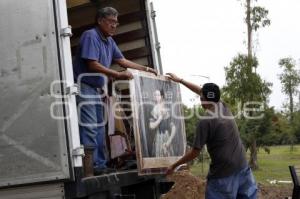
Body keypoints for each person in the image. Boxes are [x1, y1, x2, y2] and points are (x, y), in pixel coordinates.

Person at [73, 7, 157, 174]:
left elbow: (122, 60)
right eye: (111, 22)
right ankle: (89, 168)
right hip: (84, 86)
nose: (114, 26)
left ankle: (100, 166)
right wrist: (117, 75)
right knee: (90, 127)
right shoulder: (91, 35)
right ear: (100, 21)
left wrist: (146, 69)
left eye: (116, 22)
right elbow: (92, 64)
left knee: (98, 127)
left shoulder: (109, 41)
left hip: (95, 89)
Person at [165, 73, 257, 199]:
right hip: (243, 168)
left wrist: (173, 165)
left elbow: (194, 153)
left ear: (203, 99)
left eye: (201, 96)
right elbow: (203, 92)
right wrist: (180, 80)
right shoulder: (223, 106)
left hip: (223, 176)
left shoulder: (205, 121)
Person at [149, 89, 176, 157]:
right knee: (160, 156)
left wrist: (169, 141)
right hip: (159, 137)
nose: (156, 97)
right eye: (155, 95)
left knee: (168, 156)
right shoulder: (154, 109)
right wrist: (160, 118)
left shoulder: (167, 108)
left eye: (158, 95)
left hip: (167, 137)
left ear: (162, 96)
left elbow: (173, 127)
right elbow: (151, 126)